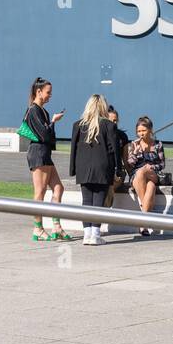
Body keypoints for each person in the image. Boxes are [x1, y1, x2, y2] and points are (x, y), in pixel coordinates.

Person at [24, 77, 70, 242]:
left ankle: (56, 226)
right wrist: (52, 122)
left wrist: (51, 122)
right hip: (38, 153)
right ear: (39, 92)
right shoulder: (33, 110)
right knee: (40, 192)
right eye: (48, 92)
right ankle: (38, 228)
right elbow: (43, 135)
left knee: (58, 188)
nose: (50, 95)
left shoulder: (43, 111)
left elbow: (49, 136)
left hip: (45, 153)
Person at [69, 94, 120, 246]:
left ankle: (87, 234)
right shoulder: (109, 125)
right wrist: (118, 168)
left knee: (86, 200)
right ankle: (95, 234)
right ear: (103, 107)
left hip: (83, 166)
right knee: (99, 200)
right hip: (103, 166)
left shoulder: (78, 125)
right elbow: (114, 149)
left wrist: (73, 168)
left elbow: (74, 148)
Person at [125, 116, 166, 238]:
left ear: (150, 130)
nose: (141, 134)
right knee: (151, 187)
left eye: (143, 130)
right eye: (139, 131)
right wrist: (136, 152)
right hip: (137, 176)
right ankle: (144, 224)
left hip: (153, 173)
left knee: (144, 172)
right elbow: (130, 164)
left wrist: (151, 167)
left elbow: (162, 164)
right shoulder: (134, 144)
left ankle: (143, 215)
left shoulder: (158, 144)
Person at [104, 105, 131, 208]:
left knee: (110, 184)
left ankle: (104, 207)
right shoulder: (102, 135)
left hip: (117, 172)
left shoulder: (122, 136)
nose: (114, 123)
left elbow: (125, 159)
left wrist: (131, 177)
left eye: (115, 121)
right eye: (111, 121)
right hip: (104, 171)